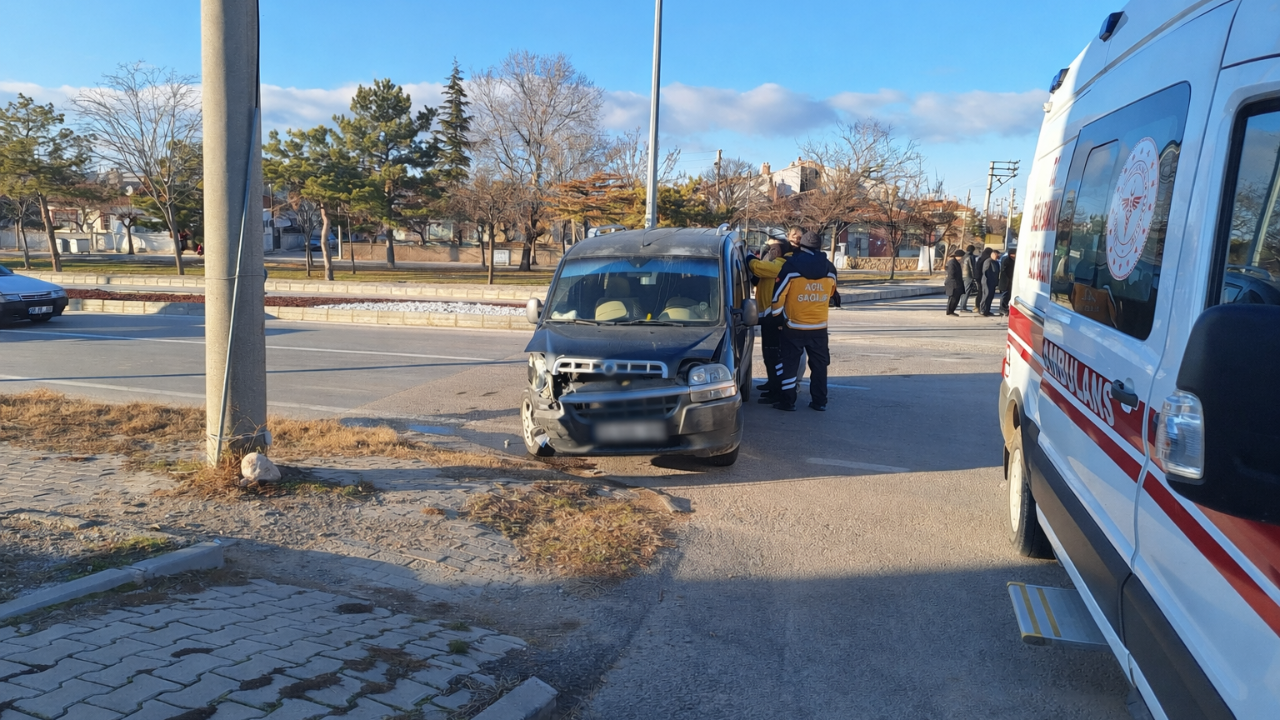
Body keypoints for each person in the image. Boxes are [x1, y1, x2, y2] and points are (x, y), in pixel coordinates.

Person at [770, 231, 838, 412]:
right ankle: (820, 401)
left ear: (802, 246)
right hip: (819, 327)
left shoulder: (791, 266)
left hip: (794, 325)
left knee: (790, 365)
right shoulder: (830, 268)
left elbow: (778, 296)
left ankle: (787, 402)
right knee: (820, 366)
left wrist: (777, 317)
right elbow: (831, 293)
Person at [750, 229, 800, 402]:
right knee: (767, 353)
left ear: (777, 251)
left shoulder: (779, 264)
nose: (767, 251)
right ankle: (772, 383)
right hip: (766, 315)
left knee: (774, 355)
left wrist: (748, 257)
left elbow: (757, 267)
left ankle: (776, 389)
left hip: (774, 316)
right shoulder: (772, 263)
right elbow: (758, 276)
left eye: (770, 249)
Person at [979, 248, 1001, 316]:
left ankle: (987, 310)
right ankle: (982, 309)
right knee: (986, 295)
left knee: (990, 297)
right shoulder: (988, 261)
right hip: (987, 282)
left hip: (993, 282)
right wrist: (986, 281)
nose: (997, 257)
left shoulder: (996, 263)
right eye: (997, 256)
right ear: (993, 254)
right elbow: (985, 272)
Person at [944, 249, 966, 316]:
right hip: (953, 283)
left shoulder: (956, 262)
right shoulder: (952, 262)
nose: (963, 258)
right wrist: (956, 281)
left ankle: (952, 311)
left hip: (957, 283)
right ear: (959, 256)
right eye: (962, 257)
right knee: (952, 298)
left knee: (956, 298)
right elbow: (951, 274)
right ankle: (949, 311)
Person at [997, 247, 1017, 315]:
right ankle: (1002, 309)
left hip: (1010, 281)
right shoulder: (1006, 260)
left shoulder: (1014, 260)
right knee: (1004, 295)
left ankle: (1005, 308)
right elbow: (1004, 270)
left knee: (1008, 295)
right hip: (1005, 281)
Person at [958, 244, 979, 312]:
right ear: (973, 250)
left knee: (963, 291)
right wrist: (974, 277)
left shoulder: (963, 256)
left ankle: (962, 306)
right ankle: (963, 307)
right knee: (966, 292)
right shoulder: (970, 257)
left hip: (962, 275)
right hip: (968, 276)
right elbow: (972, 267)